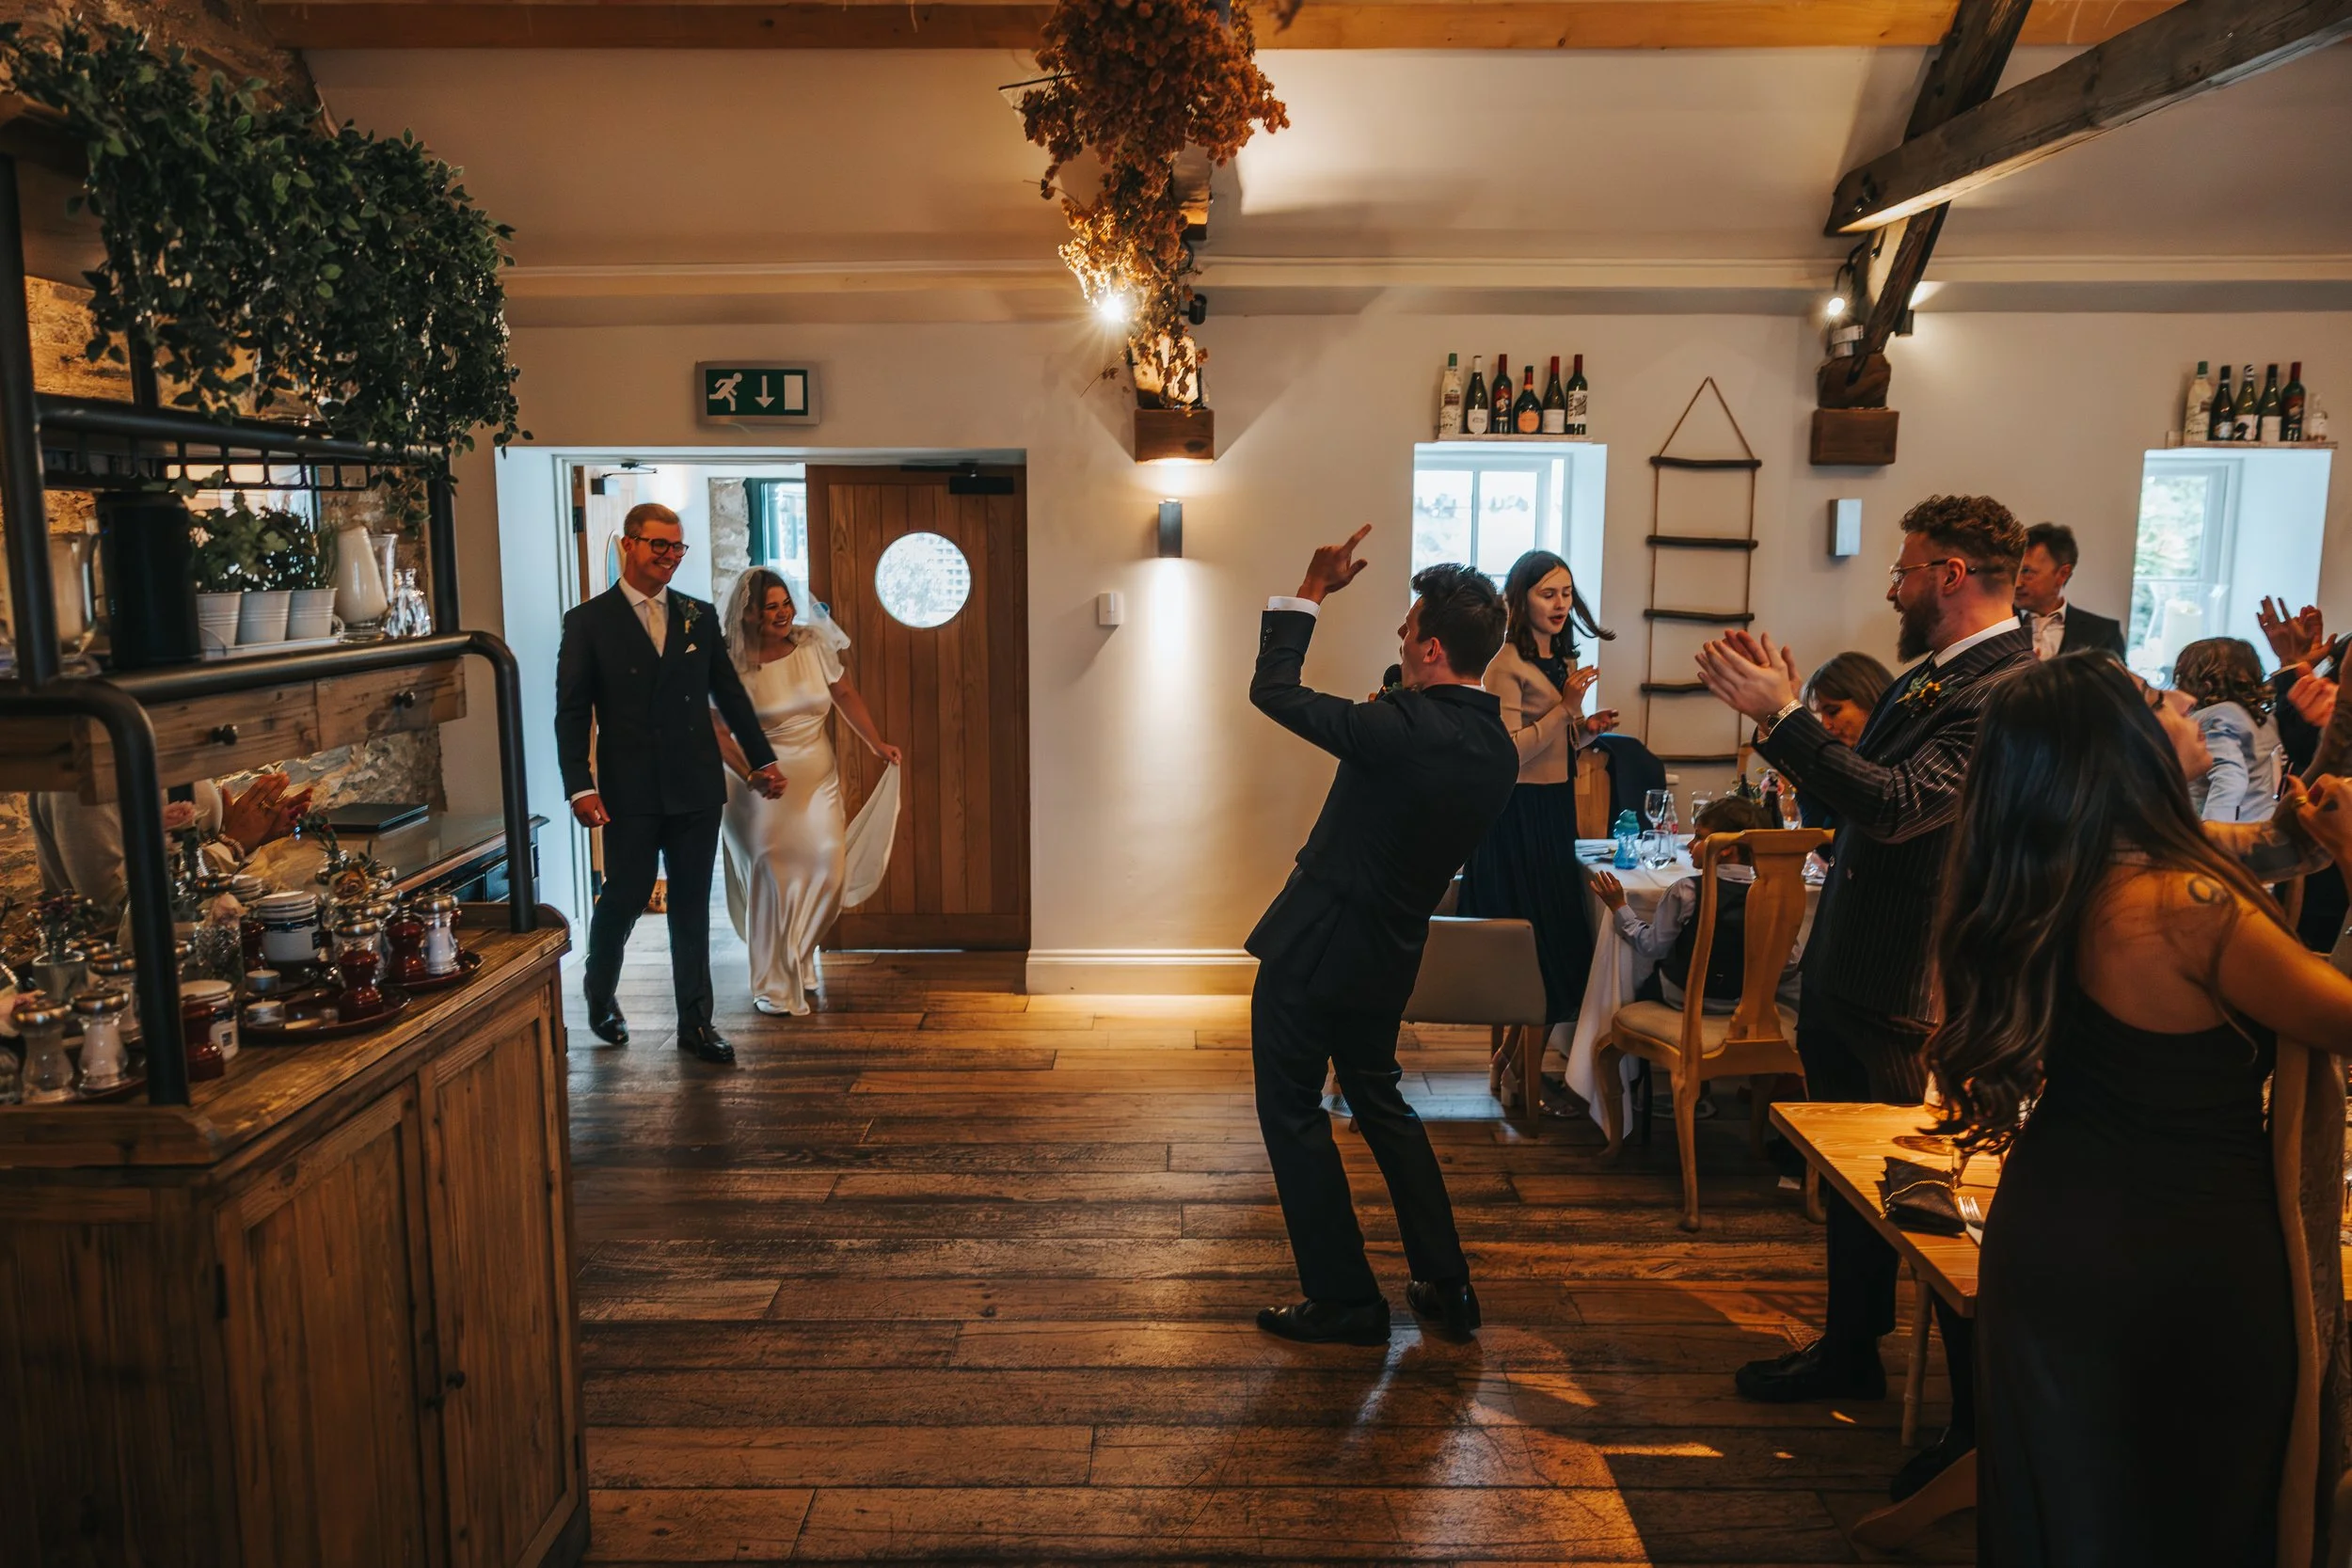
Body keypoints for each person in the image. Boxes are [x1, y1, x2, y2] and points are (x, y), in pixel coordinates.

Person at [1928, 653, 2352, 1565]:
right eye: (2157, 699)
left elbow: (2261, 848)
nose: (2181, 702)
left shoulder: (2070, 866)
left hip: (2058, 1238)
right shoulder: (2186, 907)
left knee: (2077, 1515)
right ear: (2117, 742)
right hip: (2169, 1265)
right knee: (2180, 1517)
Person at [1692, 494, 2034, 1499]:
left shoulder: (2002, 688)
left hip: (1905, 982)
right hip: (1855, 967)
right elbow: (1860, 790)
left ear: (1952, 577)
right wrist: (1790, 721)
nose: (1891, 583)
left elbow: (1893, 811)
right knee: (1851, 1185)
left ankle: (1974, 1427)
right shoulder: (1937, 674)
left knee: (1927, 1202)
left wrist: (1784, 718)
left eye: (1905, 566)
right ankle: (1851, 1346)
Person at [1244, 526, 1518, 1346]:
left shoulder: (1399, 727)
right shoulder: (1493, 749)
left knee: (1291, 1105)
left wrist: (1312, 588)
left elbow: (1276, 689)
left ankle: (1346, 1298)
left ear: (1431, 646)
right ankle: (1447, 1282)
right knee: (1379, 1099)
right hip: (1391, 951)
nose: (1399, 640)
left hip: (1318, 942)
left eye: (1406, 630)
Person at [556, 502, 786, 1065]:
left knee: (689, 905)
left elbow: (729, 697)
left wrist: (761, 761)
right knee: (625, 897)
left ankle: (696, 1023)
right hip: (627, 789)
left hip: (695, 785)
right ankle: (600, 991)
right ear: (628, 545)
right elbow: (571, 711)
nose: (669, 557)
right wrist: (579, 786)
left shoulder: (697, 615)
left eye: (677, 547)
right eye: (659, 545)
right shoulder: (588, 620)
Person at [713, 567, 904, 1016]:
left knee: (827, 869)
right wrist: (752, 774)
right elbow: (718, 731)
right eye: (771, 608)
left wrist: (875, 742)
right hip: (757, 789)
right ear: (748, 615)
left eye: (786, 604)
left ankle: (798, 955)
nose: (783, 614)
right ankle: (773, 981)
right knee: (774, 880)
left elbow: (845, 694)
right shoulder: (729, 662)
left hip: (818, 782)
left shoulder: (813, 646)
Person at [1457, 549, 1616, 1067]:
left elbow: (1554, 744)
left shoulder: (1562, 661)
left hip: (1554, 808)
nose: (1560, 605)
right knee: (1536, 944)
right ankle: (1512, 1063)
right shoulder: (1504, 664)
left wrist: (1585, 730)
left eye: (1567, 594)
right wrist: (1567, 709)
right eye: (1548, 593)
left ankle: (1512, 1061)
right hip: (1516, 815)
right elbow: (1507, 752)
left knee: (1563, 939)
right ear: (1520, 599)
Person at [1590, 796, 1798, 1014]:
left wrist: (1619, 907)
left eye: (1699, 837)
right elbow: (1790, 963)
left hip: (1682, 997)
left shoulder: (1686, 890)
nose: (1690, 844)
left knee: (1647, 976)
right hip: (1744, 1002)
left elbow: (1653, 946)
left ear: (1726, 849)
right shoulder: (1774, 896)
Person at [2172, 635, 2284, 822]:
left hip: (2230, 830)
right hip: (2262, 820)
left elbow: (2229, 778)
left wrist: (2213, 833)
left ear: (2204, 685)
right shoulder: (2264, 718)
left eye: (2182, 678)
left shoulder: (2217, 716)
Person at [1781, 651, 1893, 832]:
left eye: (1832, 712)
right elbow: (1816, 829)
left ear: (1870, 699)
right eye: (1819, 715)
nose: (1825, 725)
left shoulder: (1896, 762)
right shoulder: (1847, 756)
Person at [2012, 521, 2126, 661]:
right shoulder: (1998, 626)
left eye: (2027, 572)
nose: (2017, 583)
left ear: (2062, 574)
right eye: (2014, 571)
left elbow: (2115, 682)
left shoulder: (2103, 634)